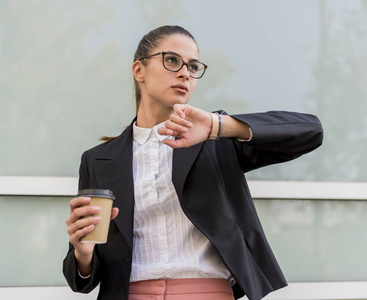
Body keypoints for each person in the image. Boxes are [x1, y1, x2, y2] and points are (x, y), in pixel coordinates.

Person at [63, 25, 323, 300]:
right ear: (139, 70)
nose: (185, 73)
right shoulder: (98, 160)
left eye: (193, 66)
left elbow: (310, 131)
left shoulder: (214, 138)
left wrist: (216, 125)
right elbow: (83, 279)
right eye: (172, 60)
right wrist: (83, 252)